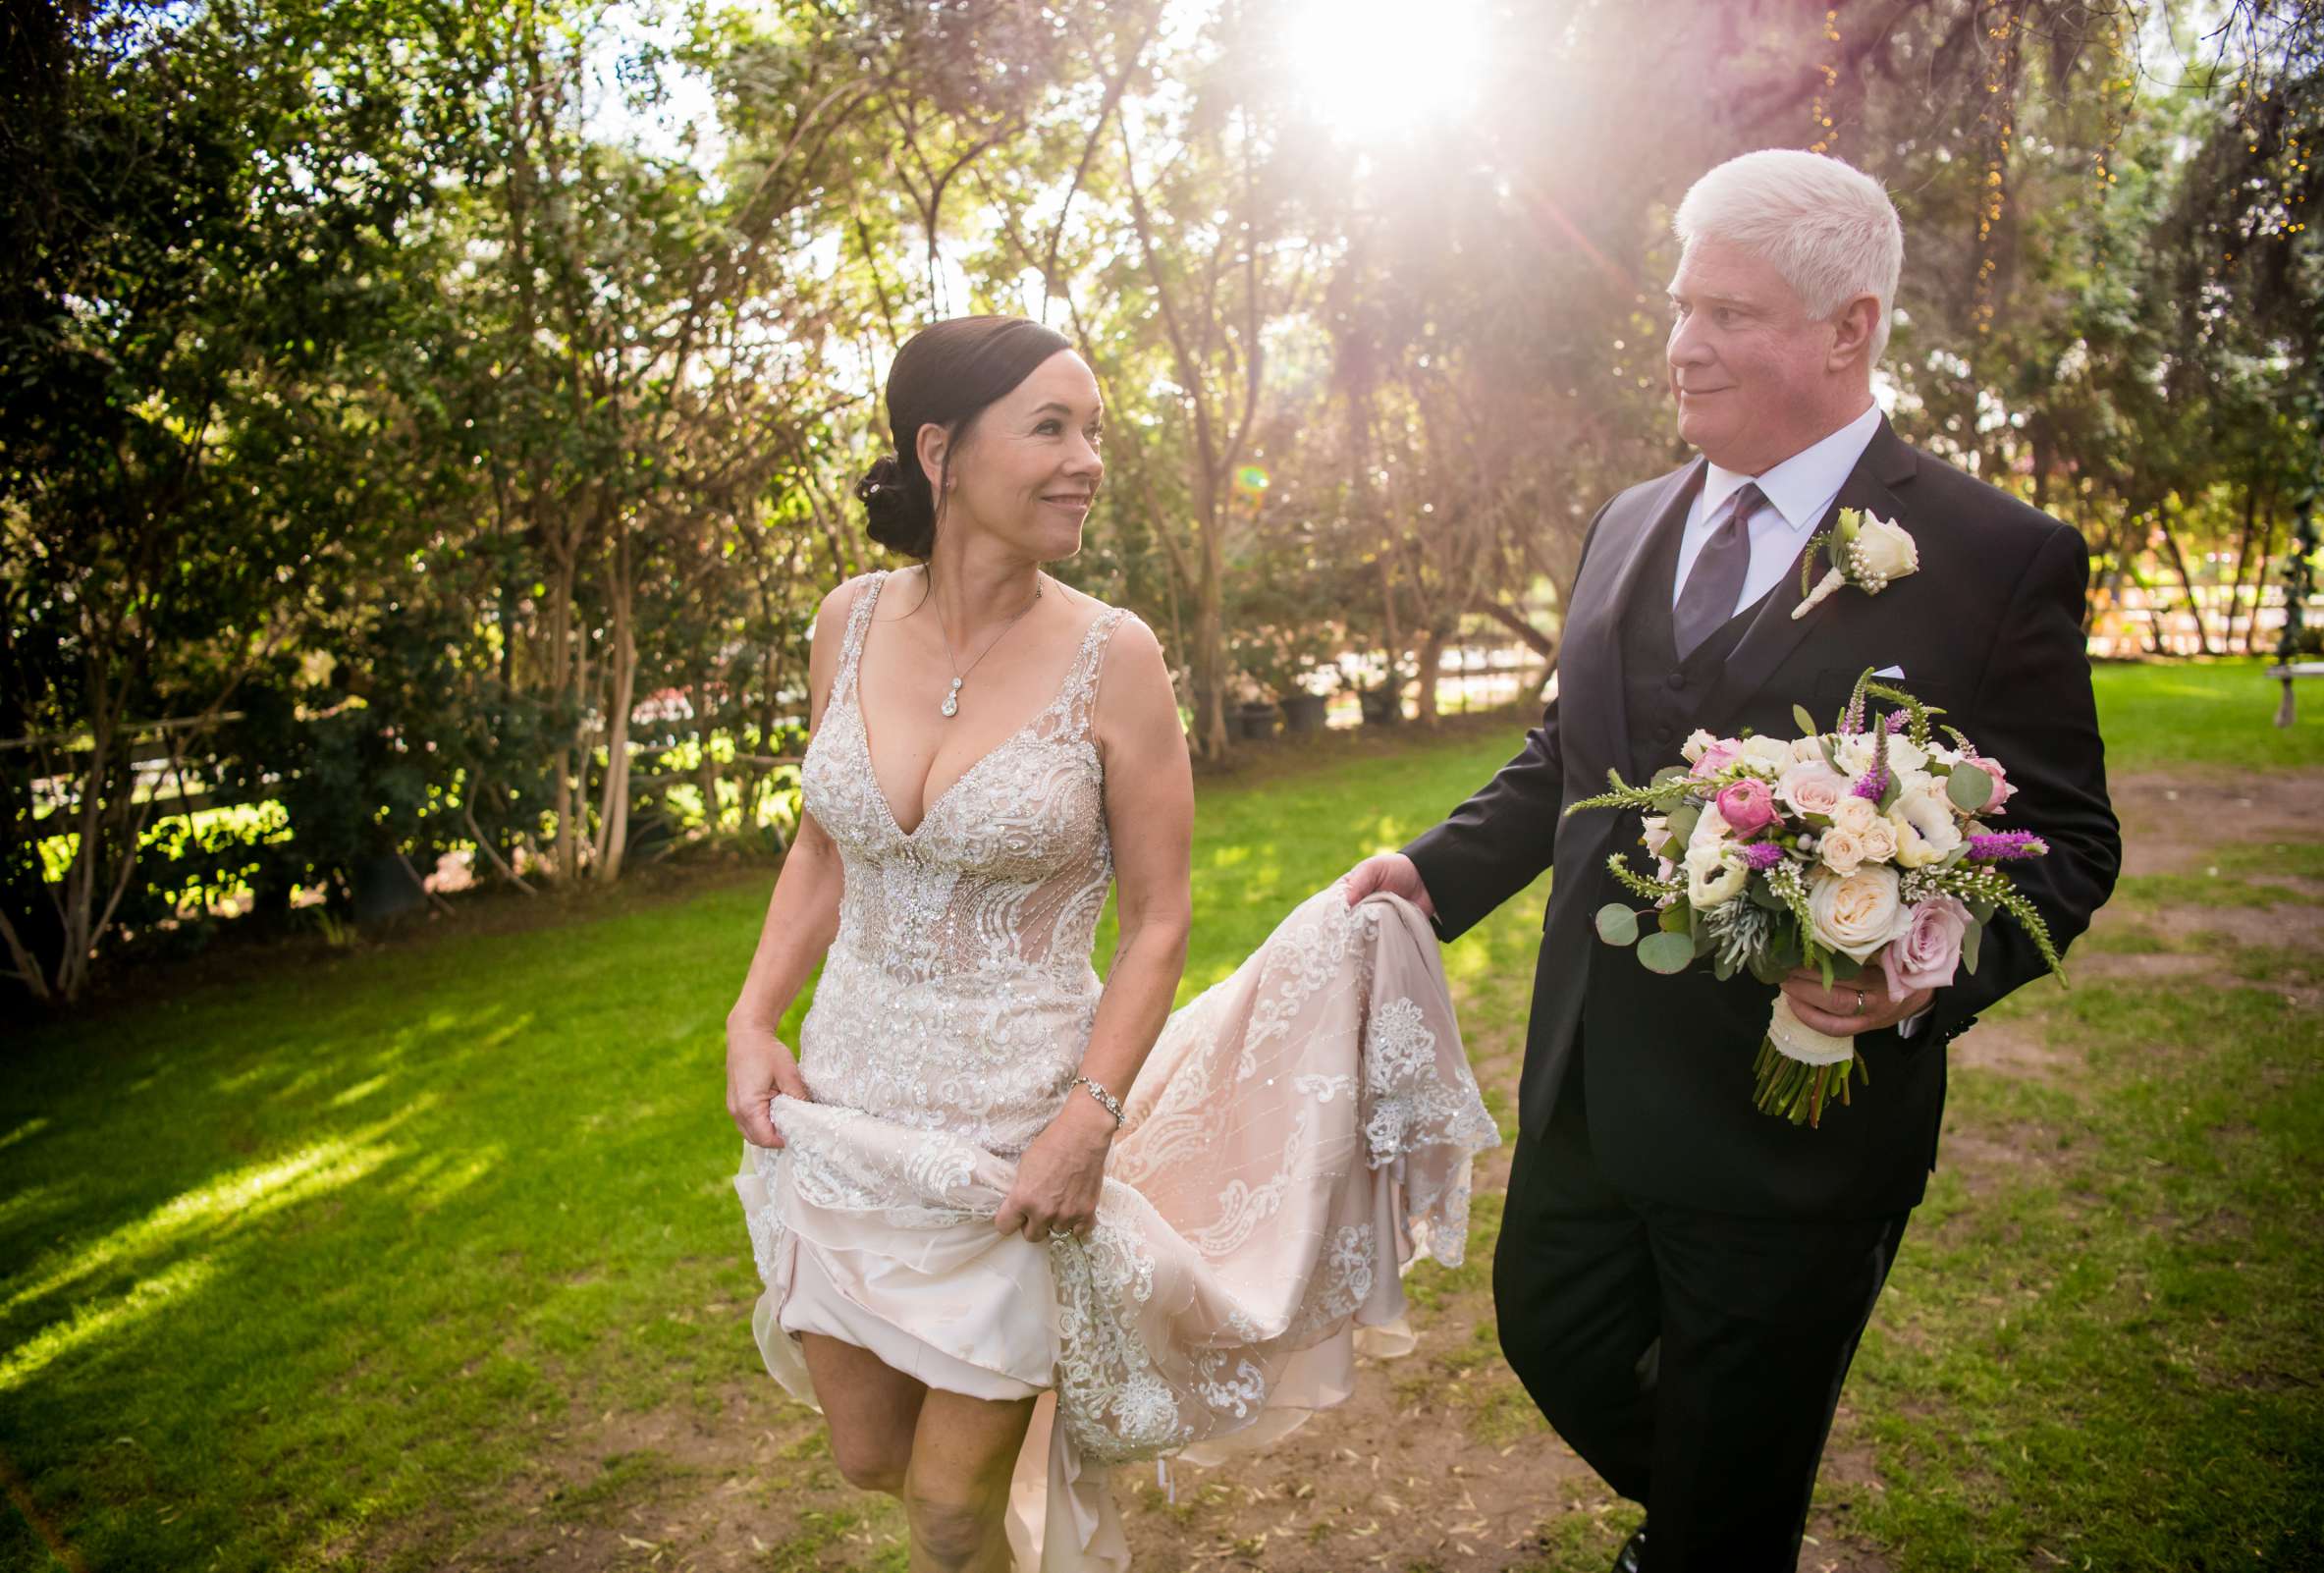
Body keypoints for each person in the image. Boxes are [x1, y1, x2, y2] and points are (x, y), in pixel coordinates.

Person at [1344, 149, 2120, 1573]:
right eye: (1682, 305)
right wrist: (1432, 873)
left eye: (1732, 314)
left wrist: (1917, 977)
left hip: (1802, 1127)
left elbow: (2071, 838)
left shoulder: (1995, 555)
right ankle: (1725, 1509)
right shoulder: (1630, 519)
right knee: (1553, 1337)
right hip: (1591, 1084)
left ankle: (1713, 1532)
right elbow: (1569, 757)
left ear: (1850, 329)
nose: (1684, 345)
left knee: (1715, 1500)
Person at [724, 315, 1496, 1573]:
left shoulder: (1114, 657)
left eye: (1094, 432)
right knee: (869, 1454)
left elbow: (1159, 919)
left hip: (1012, 1136)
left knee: (945, 1506)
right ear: (941, 451)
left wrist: (1088, 1117)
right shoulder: (846, 623)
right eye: (1052, 428)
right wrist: (753, 1017)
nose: (1088, 459)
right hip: (847, 1107)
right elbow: (821, 847)